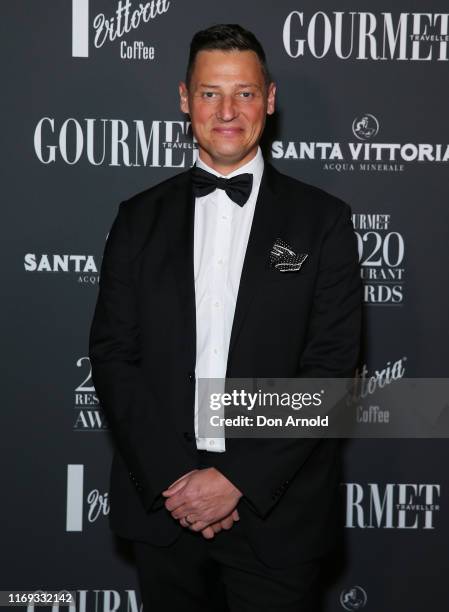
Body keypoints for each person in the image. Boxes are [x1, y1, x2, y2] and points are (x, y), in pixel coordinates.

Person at [89, 23, 362, 612]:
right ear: (185, 99)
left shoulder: (325, 222)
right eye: (211, 93)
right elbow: (114, 356)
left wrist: (236, 479)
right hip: (165, 509)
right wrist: (177, 483)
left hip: (278, 514)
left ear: (270, 98)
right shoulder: (137, 219)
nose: (228, 110)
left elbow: (331, 371)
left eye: (244, 92)